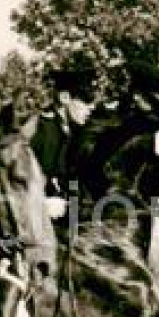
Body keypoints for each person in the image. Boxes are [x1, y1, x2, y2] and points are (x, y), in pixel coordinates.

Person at [30, 62, 102, 221]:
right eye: (85, 100)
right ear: (64, 98)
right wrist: (44, 201)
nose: (91, 108)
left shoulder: (76, 133)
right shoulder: (42, 130)